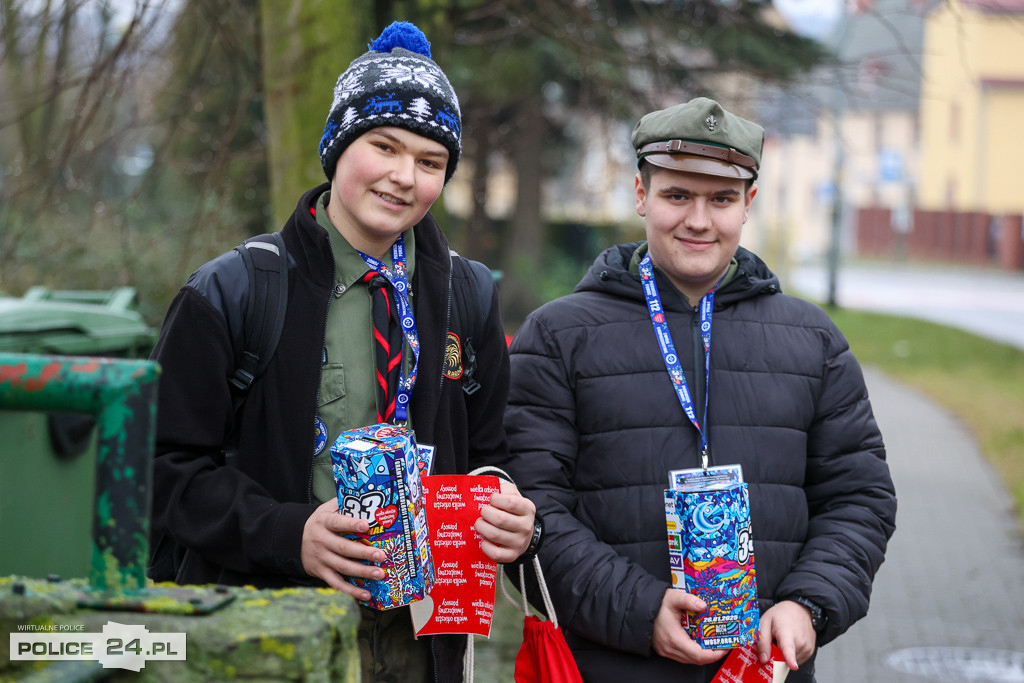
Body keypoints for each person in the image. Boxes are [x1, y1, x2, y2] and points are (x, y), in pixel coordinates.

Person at [149, 21, 538, 683]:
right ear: (337, 146)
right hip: (273, 641)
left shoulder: (468, 295)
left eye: (430, 161)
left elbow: (495, 450)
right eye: (383, 145)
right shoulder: (232, 291)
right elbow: (162, 469)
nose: (402, 176)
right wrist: (285, 531)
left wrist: (505, 504)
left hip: (424, 648)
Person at [502, 97, 897, 682]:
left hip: (762, 669)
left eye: (721, 199)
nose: (699, 221)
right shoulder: (559, 336)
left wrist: (808, 605)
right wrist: (639, 611)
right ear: (641, 195)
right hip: (607, 665)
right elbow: (531, 510)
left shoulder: (813, 340)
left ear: (748, 204)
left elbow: (858, 499)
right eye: (677, 196)